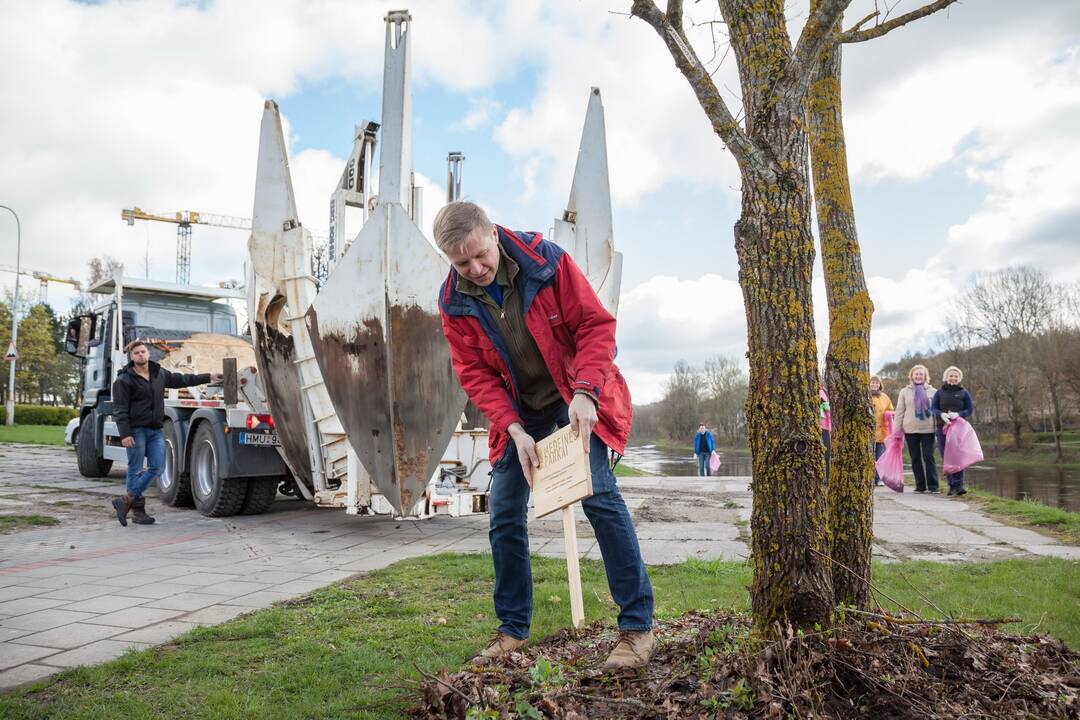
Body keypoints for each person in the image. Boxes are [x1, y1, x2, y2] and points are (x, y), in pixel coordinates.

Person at [435, 201, 655, 671]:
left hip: (573, 390)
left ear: (492, 234)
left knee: (599, 494)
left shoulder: (546, 261)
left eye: (479, 255)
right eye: (461, 264)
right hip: (519, 413)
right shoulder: (453, 301)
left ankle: (636, 628)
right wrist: (512, 427)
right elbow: (473, 372)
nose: (475, 269)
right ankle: (512, 630)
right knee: (504, 512)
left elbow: (596, 326)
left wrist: (586, 392)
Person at [110, 341, 222, 526]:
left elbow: (183, 380)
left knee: (158, 467)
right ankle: (138, 513)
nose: (140, 355)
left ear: (148, 353)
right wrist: (125, 434)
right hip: (136, 430)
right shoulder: (123, 380)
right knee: (135, 469)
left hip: (155, 430)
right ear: (131, 357)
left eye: (143, 351)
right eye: (136, 353)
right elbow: (120, 409)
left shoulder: (158, 373)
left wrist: (209, 376)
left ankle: (125, 501)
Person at [893, 364, 938, 493]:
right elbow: (899, 412)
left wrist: (939, 429)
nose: (918, 376)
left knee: (928, 456)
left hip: (928, 429)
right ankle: (920, 486)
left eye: (921, 374)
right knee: (915, 457)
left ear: (925, 377)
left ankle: (933, 486)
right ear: (911, 376)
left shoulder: (933, 392)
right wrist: (896, 431)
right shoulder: (904, 391)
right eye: (916, 374)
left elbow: (936, 411)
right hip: (910, 429)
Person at [933, 366, 973, 496]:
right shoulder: (939, 393)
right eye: (951, 375)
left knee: (959, 455)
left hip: (959, 428)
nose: (953, 378)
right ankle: (951, 485)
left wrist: (959, 414)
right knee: (947, 456)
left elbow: (969, 410)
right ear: (946, 377)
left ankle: (959, 485)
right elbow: (933, 409)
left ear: (959, 378)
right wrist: (941, 414)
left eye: (956, 376)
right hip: (943, 428)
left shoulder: (964, 392)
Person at [870, 375, 894, 487]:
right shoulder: (865, 396)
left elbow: (891, 410)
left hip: (882, 432)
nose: (874, 385)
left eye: (876, 383)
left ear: (880, 384)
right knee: (870, 457)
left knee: (880, 457)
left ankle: (878, 478)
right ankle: (870, 478)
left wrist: (888, 414)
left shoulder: (885, 397)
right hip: (869, 433)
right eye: (872, 382)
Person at [819, 386, 831, 484]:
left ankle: (827, 478)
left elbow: (828, 411)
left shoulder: (823, 391)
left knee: (827, 455)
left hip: (825, 427)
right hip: (817, 427)